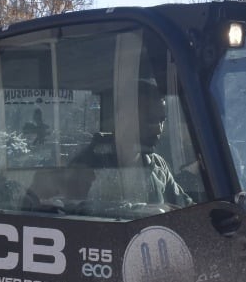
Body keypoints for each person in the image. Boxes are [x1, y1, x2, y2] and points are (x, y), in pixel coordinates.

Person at [70, 79, 191, 212]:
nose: (159, 129)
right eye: (150, 120)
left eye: (161, 120)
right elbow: (77, 210)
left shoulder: (158, 165)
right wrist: (147, 211)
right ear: (123, 118)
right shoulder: (89, 163)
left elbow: (185, 207)